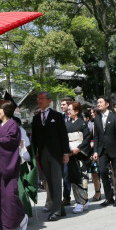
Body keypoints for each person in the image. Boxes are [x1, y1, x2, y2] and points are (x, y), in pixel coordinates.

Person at [0, 102, 28, 230]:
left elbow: (10, 141)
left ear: (7, 110)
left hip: (9, 164)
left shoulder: (13, 125)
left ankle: (13, 223)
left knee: (10, 195)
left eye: (0, 109)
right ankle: (11, 221)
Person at [31, 91, 70, 221]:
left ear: (49, 101)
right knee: (49, 181)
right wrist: (32, 153)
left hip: (56, 154)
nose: (39, 101)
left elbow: (63, 136)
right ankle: (60, 208)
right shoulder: (36, 118)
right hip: (43, 154)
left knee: (56, 181)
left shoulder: (57, 116)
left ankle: (56, 210)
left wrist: (66, 153)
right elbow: (34, 139)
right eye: (38, 98)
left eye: (42, 98)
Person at [93, 96, 116, 207]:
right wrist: (95, 151)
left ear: (107, 104)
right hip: (102, 150)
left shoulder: (114, 117)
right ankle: (109, 197)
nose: (98, 104)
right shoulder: (96, 119)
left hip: (115, 150)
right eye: (98, 102)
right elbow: (96, 136)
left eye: (101, 102)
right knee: (103, 172)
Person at [65, 101, 92, 213]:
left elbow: (87, 138)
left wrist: (79, 148)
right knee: (74, 178)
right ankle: (82, 200)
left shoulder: (82, 123)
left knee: (82, 177)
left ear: (76, 111)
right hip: (71, 154)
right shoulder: (67, 124)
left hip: (80, 154)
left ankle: (81, 202)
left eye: (70, 109)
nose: (68, 111)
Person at [60, 97, 72, 206]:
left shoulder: (77, 118)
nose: (62, 106)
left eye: (64, 104)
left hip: (75, 150)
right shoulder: (61, 118)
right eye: (61, 104)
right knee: (65, 174)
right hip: (64, 150)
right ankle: (66, 197)